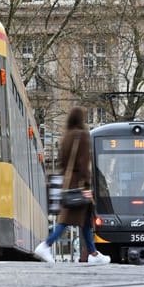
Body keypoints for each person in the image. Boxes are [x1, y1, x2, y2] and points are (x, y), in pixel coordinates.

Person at [34, 106, 110, 265]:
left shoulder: (66, 137)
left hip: (67, 184)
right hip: (79, 186)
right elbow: (83, 163)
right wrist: (87, 183)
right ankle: (46, 245)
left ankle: (93, 254)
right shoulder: (82, 136)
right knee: (66, 221)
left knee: (84, 222)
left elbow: (62, 162)